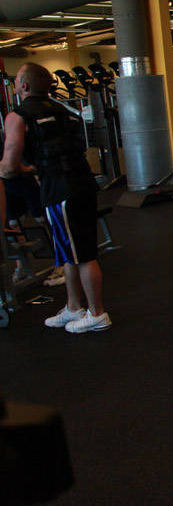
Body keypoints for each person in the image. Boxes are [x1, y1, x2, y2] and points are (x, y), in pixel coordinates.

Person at [0, 63, 110, 333]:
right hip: (79, 183)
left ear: (24, 86)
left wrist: (29, 169)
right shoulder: (64, 111)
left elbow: (8, 167)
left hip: (61, 190)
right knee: (66, 251)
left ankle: (97, 314)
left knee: (82, 254)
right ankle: (74, 307)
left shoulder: (18, 116)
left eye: (17, 81)